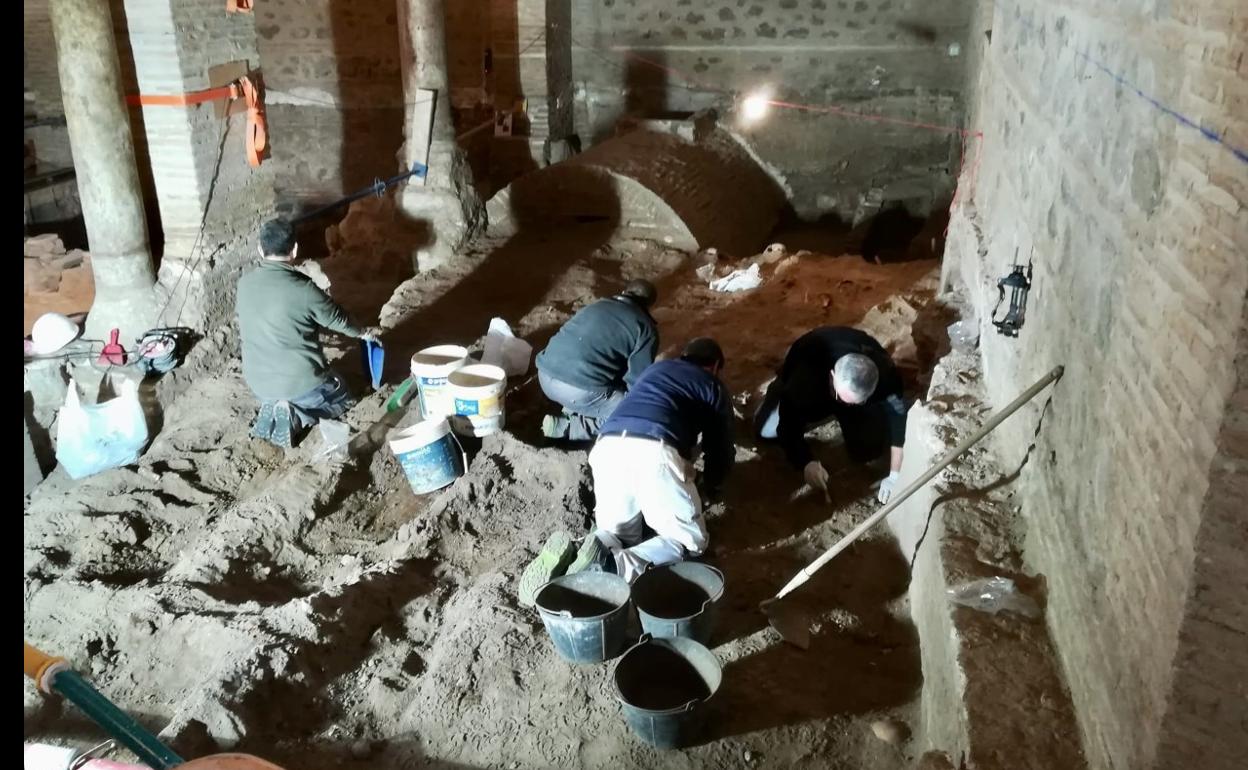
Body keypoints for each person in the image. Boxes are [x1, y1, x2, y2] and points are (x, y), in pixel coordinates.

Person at [518, 338, 734, 601]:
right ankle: (610, 566)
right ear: (714, 367)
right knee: (689, 542)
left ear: (685, 356)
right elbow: (720, 450)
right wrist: (711, 486)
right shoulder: (712, 385)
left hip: (607, 447)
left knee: (618, 535)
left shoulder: (656, 370)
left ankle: (576, 554)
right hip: (654, 450)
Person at [236, 219, 375, 448]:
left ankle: (273, 404)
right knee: (343, 396)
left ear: (260, 249)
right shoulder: (303, 289)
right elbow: (339, 319)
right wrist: (364, 333)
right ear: (295, 250)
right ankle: (297, 414)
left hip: (258, 384)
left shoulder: (244, 284)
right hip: (302, 386)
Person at [754, 326, 907, 503]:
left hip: (848, 366)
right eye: (840, 398)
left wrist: (895, 474)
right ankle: (777, 390)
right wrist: (805, 462)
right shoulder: (805, 378)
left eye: (853, 402)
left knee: (868, 450)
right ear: (832, 375)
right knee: (767, 432)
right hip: (807, 368)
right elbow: (787, 428)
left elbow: (899, 421)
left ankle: (850, 406)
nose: (844, 404)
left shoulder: (885, 375)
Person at [534, 279, 659, 441]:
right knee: (633, 413)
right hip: (577, 391)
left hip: (544, 375)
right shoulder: (645, 328)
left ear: (624, 292)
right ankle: (567, 427)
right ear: (649, 305)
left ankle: (571, 409)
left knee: (598, 371)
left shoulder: (596, 305)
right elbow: (636, 381)